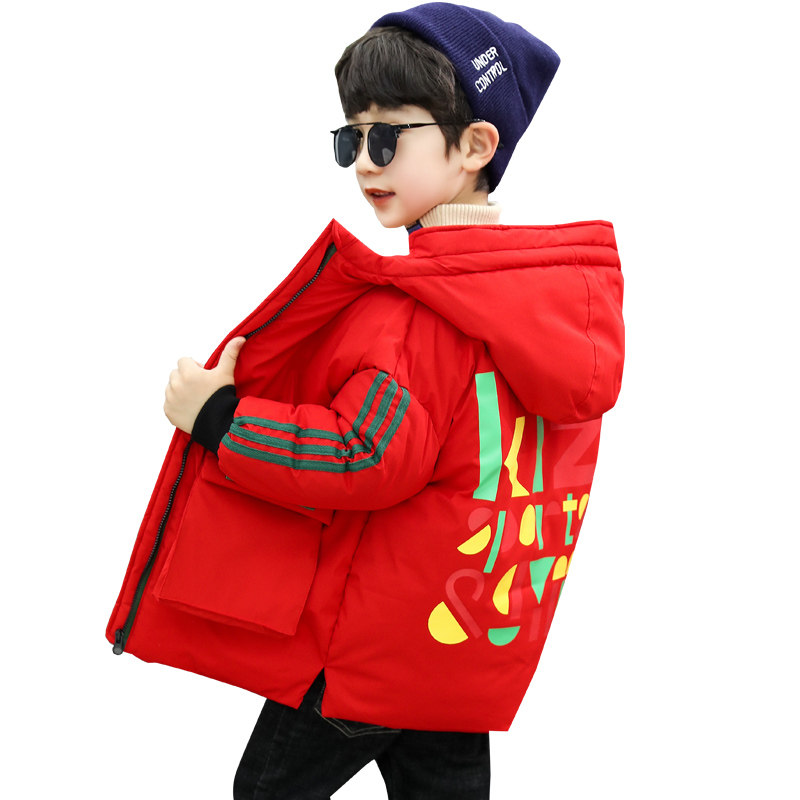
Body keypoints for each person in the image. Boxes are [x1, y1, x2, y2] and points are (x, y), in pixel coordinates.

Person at [106, 4, 625, 798]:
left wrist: (220, 419)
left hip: (367, 655)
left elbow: (364, 454)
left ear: (474, 146)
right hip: (460, 649)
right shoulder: (531, 309)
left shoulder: (422, 311)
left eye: (387, 138)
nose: (362, 163)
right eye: (351, 139)